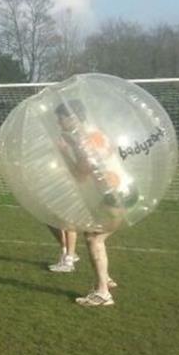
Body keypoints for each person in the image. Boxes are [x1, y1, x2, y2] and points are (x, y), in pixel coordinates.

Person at [52, 100, 123, 306]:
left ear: (72, 118)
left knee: (94, 238)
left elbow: (79, 175)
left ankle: (103, 292)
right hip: (123, 189)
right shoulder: (95, 132)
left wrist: (64, 152)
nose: (58, 123)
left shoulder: (84, 141)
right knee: (93, 234)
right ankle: (105, 279)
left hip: (114, 193)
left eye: (60, 118)